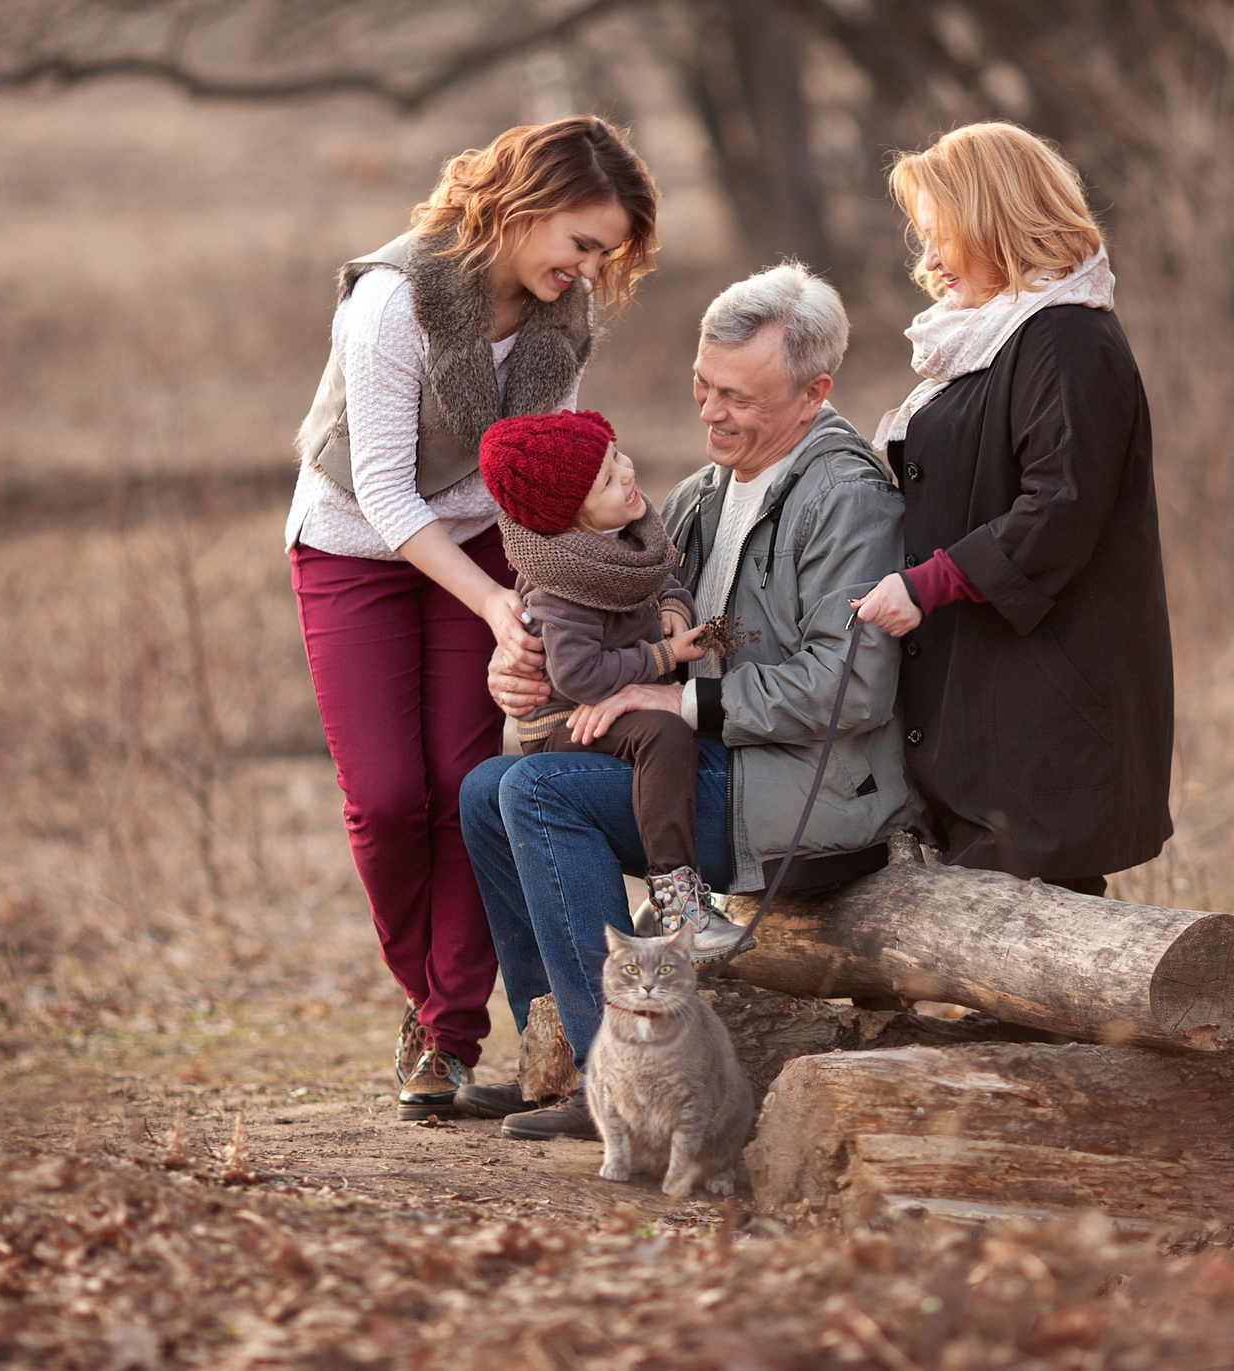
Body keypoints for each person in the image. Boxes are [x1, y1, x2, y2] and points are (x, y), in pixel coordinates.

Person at [453, 263, 910, 1137]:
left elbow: (851, 683)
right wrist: (524, 670)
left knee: (538, 793)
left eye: (738, 396)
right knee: (486, 790)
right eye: (703, 385)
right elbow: (614, 630)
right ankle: (559, 1053)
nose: (710, 411)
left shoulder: (845, 498)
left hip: (802, 790)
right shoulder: (699, 498)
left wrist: (682, 702)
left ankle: (621, 1082)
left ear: (815, 391)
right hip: (706, 769)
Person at [283, 115, 658, 1122]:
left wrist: (542, 592)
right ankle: (423, 994)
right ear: (525, 209)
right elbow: (385, 492)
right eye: (580, 243)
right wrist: (494, 601)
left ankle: (446, 1036)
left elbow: (544, 478)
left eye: (604, 255)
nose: (587, 270)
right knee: (386, 798)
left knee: (463, 786)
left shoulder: (562, 314)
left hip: (488, 541)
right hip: (354, 544)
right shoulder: (393, 300)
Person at [850, 121, 1174, 894]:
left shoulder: (1067, 338)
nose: (926, 261)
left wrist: (927, 583)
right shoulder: (988, 338)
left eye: (941, 236)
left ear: (994, 220)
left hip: (1046, 701)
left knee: (1039, 938)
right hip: (985, 690)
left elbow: (1059, 507)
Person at [474, 408, 746, 955]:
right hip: (566, 719)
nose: (626, 471)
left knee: (664, 731)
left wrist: (672, 602)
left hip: (605, 704)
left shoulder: (622, 538)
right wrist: (662, 653)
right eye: (606, 477)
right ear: (573, 519)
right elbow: (578, 676)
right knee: (665, 734)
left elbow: (659, 578)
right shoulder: (560, 586)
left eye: (616, 454)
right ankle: (678, 905)